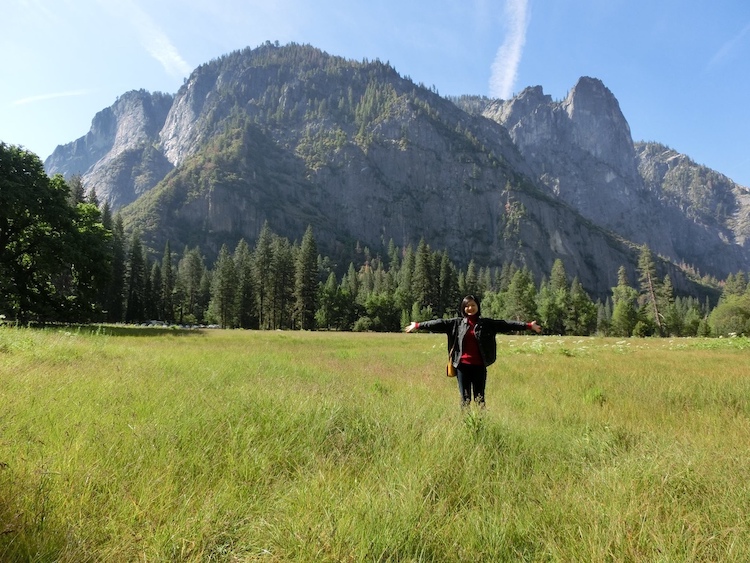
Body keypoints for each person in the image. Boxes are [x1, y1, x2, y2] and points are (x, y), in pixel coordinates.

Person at [404, 295, 542, 408]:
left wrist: (529, 326)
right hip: (462, 366)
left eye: (473, 305)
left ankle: (480, 423)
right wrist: (417, 325)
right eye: (467, 306)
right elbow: (437, 323)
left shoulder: (487, 324)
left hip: (479, 366)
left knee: (480, 398)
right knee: (465, 398)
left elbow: (506, 325)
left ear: (477, 306)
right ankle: (465, 424)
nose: (470, 308)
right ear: (463, 308)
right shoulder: (456, 323)